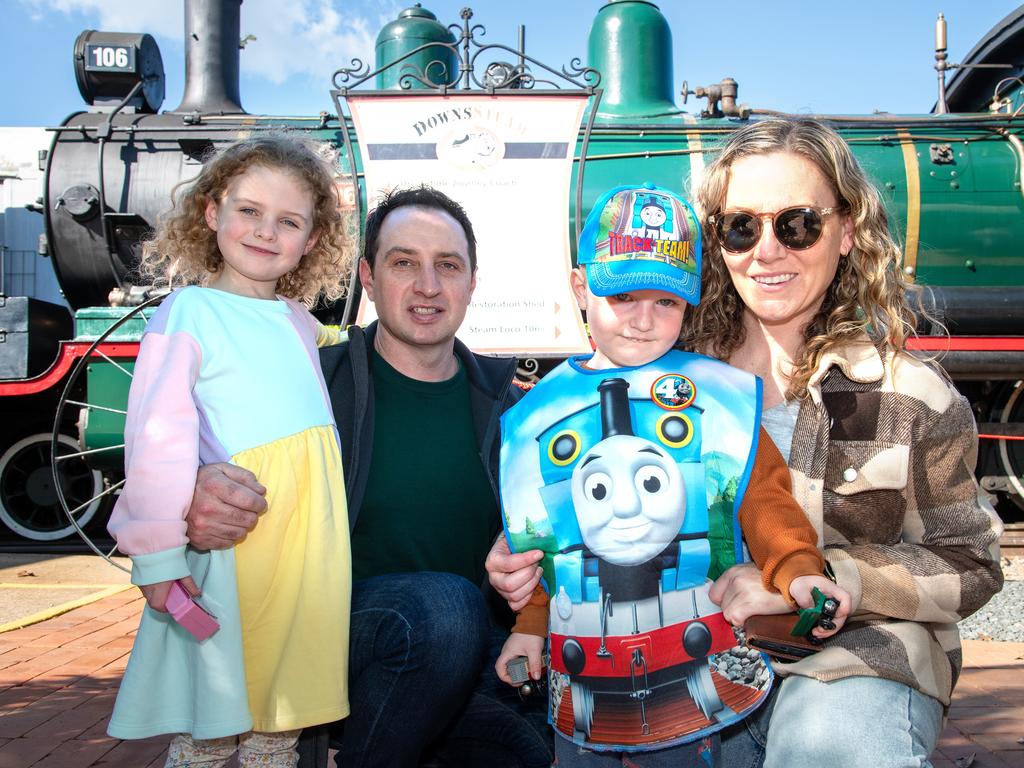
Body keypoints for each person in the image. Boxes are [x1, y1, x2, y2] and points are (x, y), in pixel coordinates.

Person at [487, 119, 1005, 768]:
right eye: (741, 227)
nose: (766, 251)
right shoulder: (671, 381)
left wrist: (826, 579)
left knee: (825, 747)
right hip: (687, 668)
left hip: (849, 664)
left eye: (797, 224)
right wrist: (532, 568)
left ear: (846, 232)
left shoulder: (911, 394)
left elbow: (973, 563)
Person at [184, 185, 551, 768]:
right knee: (440, 610)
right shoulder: (307, 380)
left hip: (462, 658)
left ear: (472, 283)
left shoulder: (513, 409)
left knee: (531, 749)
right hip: (327, 638)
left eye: (447, 266)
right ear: (369, 277)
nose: (428, 286)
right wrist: (197, 490)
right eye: (404, 262)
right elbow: (185, 443)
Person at [495, 183, 849, 767]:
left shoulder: (720, 396)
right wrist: (532, 622)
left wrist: (796, 569)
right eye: (624, 296)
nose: (643, 320)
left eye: (666, 302)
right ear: (581, 285)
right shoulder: (538, 411)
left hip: (699, 657)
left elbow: (763, 498)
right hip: (580, 660)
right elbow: (541, 534)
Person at [106, 134, 353, 767]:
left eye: (289, 221)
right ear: (212, 211)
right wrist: (158, 557)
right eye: (249, 211)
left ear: (312, 241)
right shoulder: (188, 313)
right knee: (210, 728)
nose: (266, 231)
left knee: (279, 726)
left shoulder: (301, 322)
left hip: (306, 552)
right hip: (239, 550)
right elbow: (156, 440)